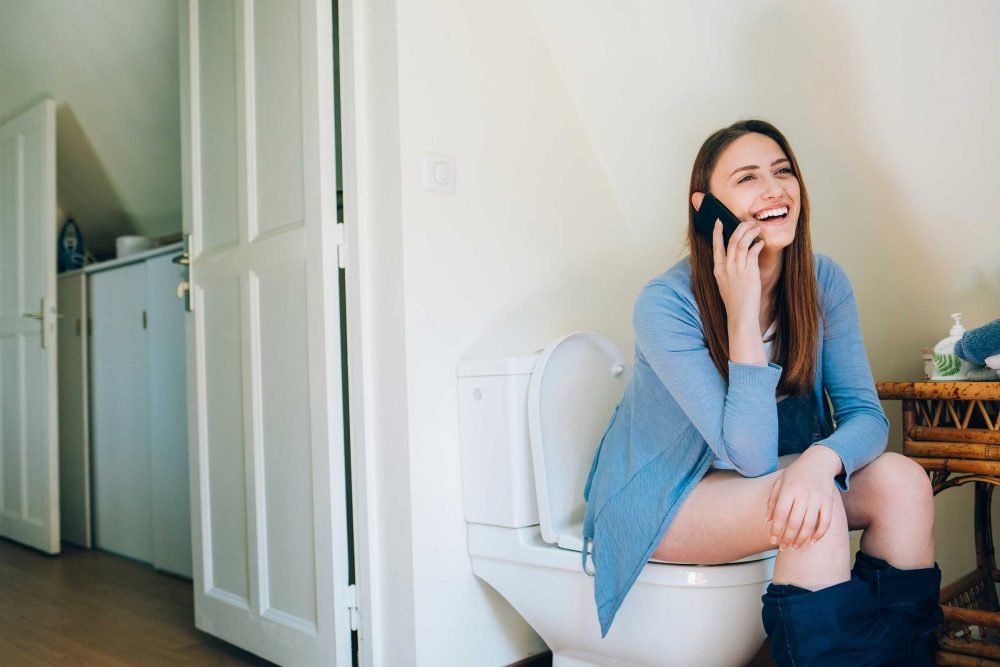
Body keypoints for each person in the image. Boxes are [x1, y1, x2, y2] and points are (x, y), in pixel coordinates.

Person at [580, 119, 942, 665]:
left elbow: (867, 416)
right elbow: (748, 457)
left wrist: (820, 460)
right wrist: (743, 312)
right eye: (747, 178)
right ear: (706, 207)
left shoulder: (824, 283)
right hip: (666, 495)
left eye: (783, 171)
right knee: (810, 511)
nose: (775, 189)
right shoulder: (664, 304)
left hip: (764, 475)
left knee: (904, 482)